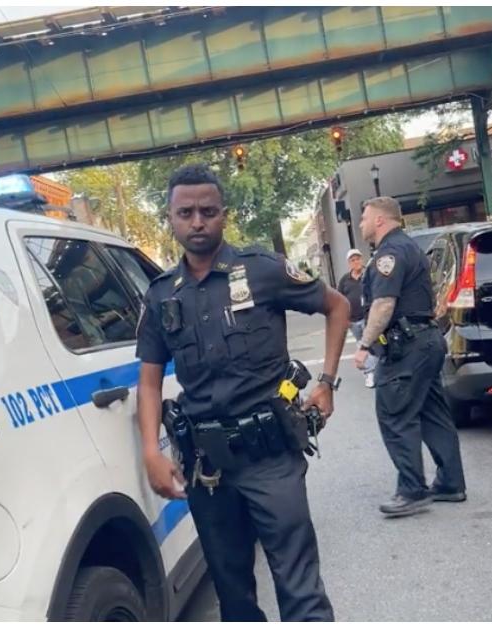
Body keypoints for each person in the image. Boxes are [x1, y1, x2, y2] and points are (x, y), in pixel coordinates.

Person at [136, 164, 350, 621]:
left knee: (300, 588)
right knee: (233, 597)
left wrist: (328, 383)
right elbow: (150, 378)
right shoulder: (160, 297)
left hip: (271, 455)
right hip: (206, 467)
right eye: (186, 212)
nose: (198, 222)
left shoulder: (263, 271)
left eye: (208, 211)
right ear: (170, 219)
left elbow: (338, 306)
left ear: (224, 215)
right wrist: (151, 452)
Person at [354, 196, 466, 517]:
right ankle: (450, 483)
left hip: (408, 346)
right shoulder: (407, 247)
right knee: (432, 413)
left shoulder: (390, 253)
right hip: (426, 341)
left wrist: (364, 345)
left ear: (379, 220)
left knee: (394, 414)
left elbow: (384, 304)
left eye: (364, 217)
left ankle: (412, 490)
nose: (361, 223)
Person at [337, 248, 377, 387]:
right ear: (349, 263)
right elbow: (339, 300)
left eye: (358, 259)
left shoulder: (370, 274)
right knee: (361, 344)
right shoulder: (344, 280)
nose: (356, 262)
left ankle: (371, 372)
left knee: (369, 344)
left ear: (362, 259)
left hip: (369, 317)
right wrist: (344, 320)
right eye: (352, 260)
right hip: (353, 321)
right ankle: (370, 371)